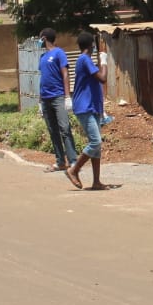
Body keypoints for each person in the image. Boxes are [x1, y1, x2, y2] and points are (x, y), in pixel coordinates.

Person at [64, 32, 109, 190]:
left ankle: (96, 181)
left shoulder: (86, 61)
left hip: (92, 106)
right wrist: (103, 62)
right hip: (84, 107)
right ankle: (74, 170)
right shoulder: (84, 59)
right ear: (91, 45)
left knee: (97, 147)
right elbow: (102, 78)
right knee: (95, 141)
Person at [37, 29, 78, 174]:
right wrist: (40, 101)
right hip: (46, 99)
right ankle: (60, 161)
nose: (38, 41)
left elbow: (65, 74)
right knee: (53, 131)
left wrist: (67, 96)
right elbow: (42, 79)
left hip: (58, 97)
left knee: (64, 129)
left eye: (39, 38)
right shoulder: (42, 57)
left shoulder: (59, 53)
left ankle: (73, 161)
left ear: (44, 38)